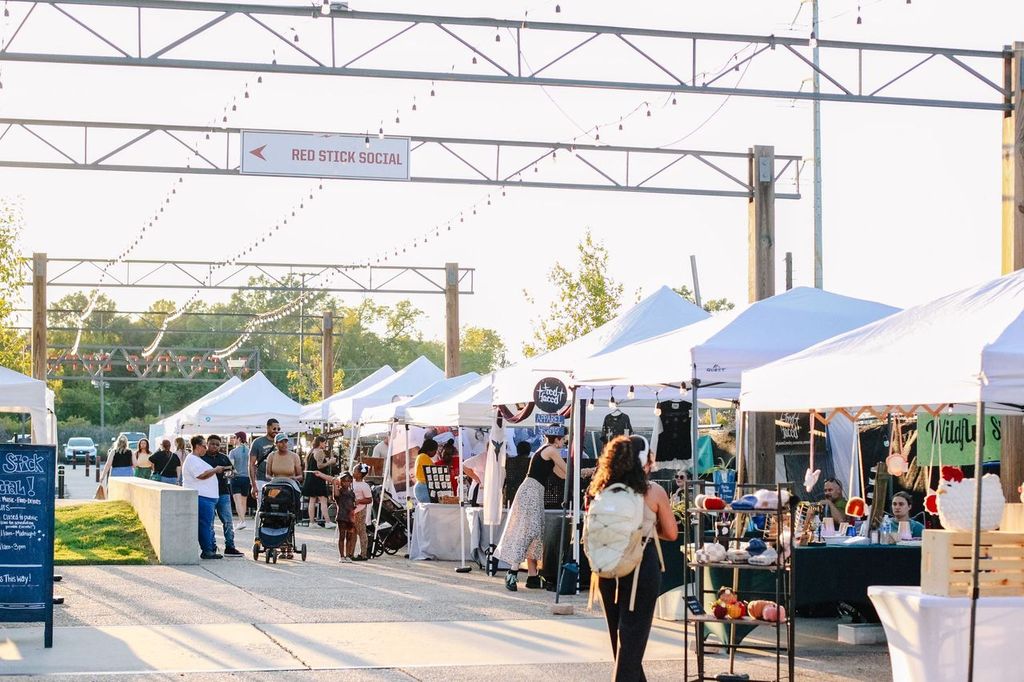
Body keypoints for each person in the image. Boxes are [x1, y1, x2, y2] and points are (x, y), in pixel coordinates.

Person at [589, 434, 678, 682]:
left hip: (606, 565)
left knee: (620, 641)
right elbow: (672, 533)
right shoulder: (653, 491)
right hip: (640, 566)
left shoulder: (601, 489)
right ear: (644, 461)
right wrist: (646, 529)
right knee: (632, 642)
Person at [496, 427, 567, 592]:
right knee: (528, 531)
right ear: (557, 439)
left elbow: (563, 474)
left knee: (534, 532)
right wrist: (587, 471)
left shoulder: (545, 450)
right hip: (531, 492)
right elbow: (567, 470)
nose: (564, 442)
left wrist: (583, 473)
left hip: (533, 491)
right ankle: (513, 572)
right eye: (563, 439)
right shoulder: (551, 450)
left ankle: (532, 575)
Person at [181, 435, 226, 560]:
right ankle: (207, 550)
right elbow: (201, 475)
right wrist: (215, 470)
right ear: (197, 446)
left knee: (207, 525)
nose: (206, 449)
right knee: (205, 525)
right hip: (202, 497)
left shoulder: (196, 459)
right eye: (204, 446)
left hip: (207, 497)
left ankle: (210, 548)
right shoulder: (192, 459)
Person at [202, 434, 242, 557]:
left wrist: (227, 472)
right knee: (210, 523)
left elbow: (232, 473)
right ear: (207, 444)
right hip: (208, 493)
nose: (215, 446)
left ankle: (230, 546)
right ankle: (211, 547)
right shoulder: (202, 458)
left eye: (217, 445)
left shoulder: (224, 458)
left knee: (228, 521)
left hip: (223, 492)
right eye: (212, 444)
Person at [302, 435, 337, 529]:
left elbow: (307, 466)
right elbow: (320, 466)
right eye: (324, 443)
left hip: (310, 477)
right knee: (323, 499)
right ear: (320, 443)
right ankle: (327, 522)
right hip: (317, 477)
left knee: (312, 500)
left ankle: (312, 522)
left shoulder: (310, 452)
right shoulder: (319, 451)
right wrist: (330, 462)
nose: (325, 445)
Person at [248, 418, 281, 503]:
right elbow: (251, 464)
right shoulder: (258, 442)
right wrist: (253, 485)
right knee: (262, 506)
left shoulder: (281, 443)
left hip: (277, 481)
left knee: (276, 506)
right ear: (268, 428)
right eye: (274, 428)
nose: (276, 431)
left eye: (278, 429)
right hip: (261, 480)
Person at [228, 432, 251, 529]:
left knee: (237, 501)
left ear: (239, 439)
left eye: (235, 437)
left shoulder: (233, 452)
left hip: (236, 478)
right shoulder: (249, 451)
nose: (233, 439)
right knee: (243, 501)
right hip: (247, 478)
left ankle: (242, 521)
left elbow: (231, 467)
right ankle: (242, 520)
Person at [332, 471, 357, 563]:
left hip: (350, 517)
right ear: (341, 481)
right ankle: (342, 556)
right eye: (345, 481)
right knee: (342, 536)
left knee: (349, 537)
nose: (347, 483)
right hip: (342, 516)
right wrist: (334, 484)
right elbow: (336, 495)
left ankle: (348, 555)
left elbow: (354, 504)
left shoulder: (352, 493)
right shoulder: (340, 491)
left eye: (349, 481)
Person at [351, 463, 373, 561]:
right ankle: (350, 552)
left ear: (360, 474)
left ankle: (363, 554)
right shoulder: (352, 482)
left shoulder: (364, 486)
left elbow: (369, 499)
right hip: (352, 511)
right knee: (352, 532)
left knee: (361, 532)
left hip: (360, 511)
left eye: (354, 471)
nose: (352, 472)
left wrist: (359, 501)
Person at [413, 438, 438, 504]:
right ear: (429, 450)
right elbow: (433, 472)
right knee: (430, 508)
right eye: (435, 450)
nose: (435, 453)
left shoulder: (421, 456)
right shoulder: (423, 457)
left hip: (423, 487)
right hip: (424, 487)